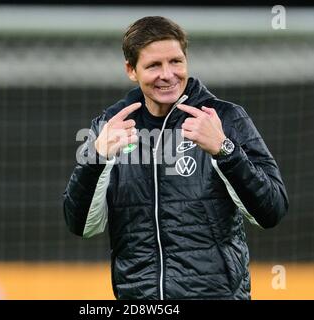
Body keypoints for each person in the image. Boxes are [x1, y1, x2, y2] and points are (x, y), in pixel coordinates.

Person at [63, 16, 288, 300]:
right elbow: (81, 226)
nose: (168, 74)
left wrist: (225, 150)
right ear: (131, 70)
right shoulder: (111, 127)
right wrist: (97, 158)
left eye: (176, 62)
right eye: (154, 65)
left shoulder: (225, 119)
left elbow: (272, 211)